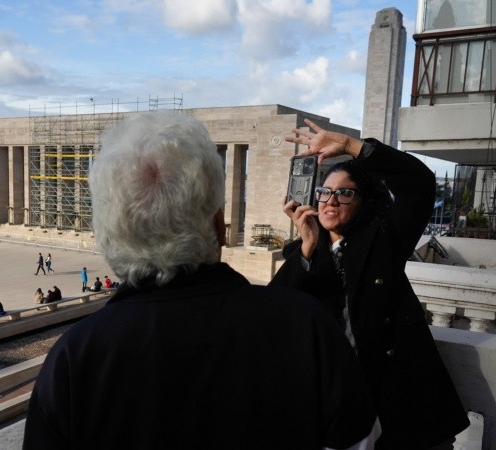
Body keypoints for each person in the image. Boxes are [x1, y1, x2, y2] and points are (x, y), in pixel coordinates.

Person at [23, 111, 378, 449]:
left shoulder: (77, 355)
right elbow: (355, 439)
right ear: (218, 224)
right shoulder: (306, 324)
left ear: (109, 233)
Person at [270, 118, 469, 449]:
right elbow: (275, 309)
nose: (330, 202)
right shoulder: (302, 251)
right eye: (324, 192)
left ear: (363, 200)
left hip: (397, 401)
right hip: (336, 405)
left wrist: (350, 146)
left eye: (344, 194)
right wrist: (306, 248)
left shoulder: (384, 240)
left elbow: (418, 183)